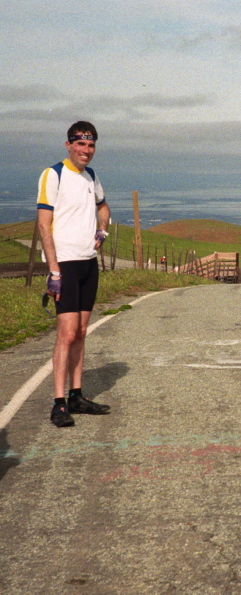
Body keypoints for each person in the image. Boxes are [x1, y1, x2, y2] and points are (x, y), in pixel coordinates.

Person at [37, 121, 112, 427]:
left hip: (87, 263)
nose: (86, 151)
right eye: (80, 144)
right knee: (66, 335)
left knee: (81, 332)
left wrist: (102, 230)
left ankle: (76, 395)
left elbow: (103, 208)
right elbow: (44, 224)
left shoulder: (91, 176)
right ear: (68, 145)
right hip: (65, 264)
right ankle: (58, 403)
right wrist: (53, 270)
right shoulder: (53, 173)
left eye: (91, 145)